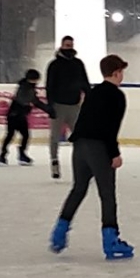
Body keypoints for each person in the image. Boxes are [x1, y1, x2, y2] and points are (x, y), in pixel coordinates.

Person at [50, 55, 133, 261]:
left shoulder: (93, 92)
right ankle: (111, 241)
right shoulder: (117, 96)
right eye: (121, 71)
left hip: (80, 146)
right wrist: (114, 153)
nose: (122, 75)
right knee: (107, 193)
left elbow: (84, 120)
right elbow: (110, 127)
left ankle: (59, 233)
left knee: (78, 188)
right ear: (116, 73)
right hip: (99, 148)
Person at [45, 36, 91, 179]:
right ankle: (54, 162)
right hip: (58, 106)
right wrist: (50, 105)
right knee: (55, 137)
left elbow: (84, 82)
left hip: (74, 105)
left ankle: (83, 165)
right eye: (66, 45)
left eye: (70, 45)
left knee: (80, 138)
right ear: (61, 46)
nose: (69, 48)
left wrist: (89, 99)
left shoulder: (78, 64)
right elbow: (49, 86)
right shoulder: (54, 65)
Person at [0, 69, 54, 167]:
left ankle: (18, 155)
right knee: (12, 135)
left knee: (22, 135)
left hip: (18, 114)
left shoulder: (27, 86)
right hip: (15, 115)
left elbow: (33, 101)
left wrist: (47, 109)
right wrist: (48, 109)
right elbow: (32, 101)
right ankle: (4, 155)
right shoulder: (26, 88)